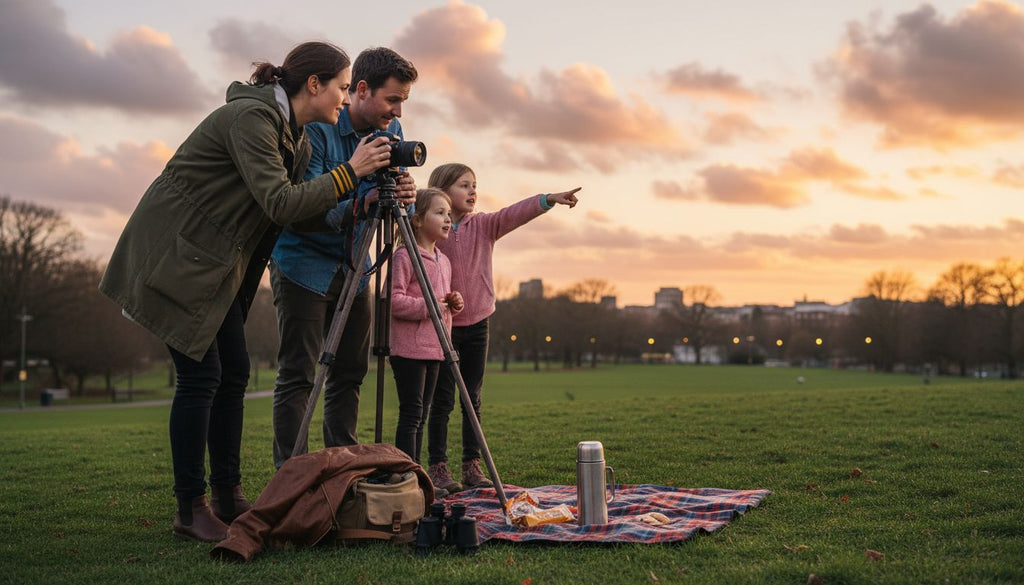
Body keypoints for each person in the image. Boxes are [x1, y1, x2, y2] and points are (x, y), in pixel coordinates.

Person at [99, 41, 396, 542]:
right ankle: (190, 508)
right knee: (200, 379)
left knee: (234, 372)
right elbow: (280, 202)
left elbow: (300, 213)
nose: (346, 99)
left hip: (214, 269)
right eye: (343, 88)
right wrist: (352, 171)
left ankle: (227, 495)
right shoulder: (251, 120)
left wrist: (359, 199)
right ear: (314, 85)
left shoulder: (294, 138)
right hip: (175, 259)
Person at [270, 47, 418, 469]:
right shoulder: (319, 129)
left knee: (350, 372)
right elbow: (306, 210)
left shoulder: (392, 131)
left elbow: (396, 204)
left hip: (355, 269)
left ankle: (343, 469)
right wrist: (359, 200)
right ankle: (293, 477)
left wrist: (406, 197)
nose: (398, 111)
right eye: (392, 99)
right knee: (299, 375)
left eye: (403, 101)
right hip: (302, 266)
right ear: (362, 90)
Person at [425, 163, 581, 493]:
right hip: (444, 326)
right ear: (442, 191)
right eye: (463, 185)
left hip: (479, 324)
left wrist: (548, 199)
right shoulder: (432, 230)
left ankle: (471, 466)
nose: (472, 191)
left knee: (472, 398)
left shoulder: (484, 225)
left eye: (474, 185)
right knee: (442, 401)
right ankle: (438, 468)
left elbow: (514, 213)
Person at [389, 188, 463, 482]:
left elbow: (442, 302)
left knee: (423, 414)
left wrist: (454, 302)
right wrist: (429, 306)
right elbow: (393, 301)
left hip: (436, 348)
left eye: (448, 214)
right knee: (411, 414)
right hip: (409, 350)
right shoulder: (404, 256)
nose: (447, 219)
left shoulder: (444, 260)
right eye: (439, 213)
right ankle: (405, 475)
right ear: (417, 219)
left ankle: (418, 475)